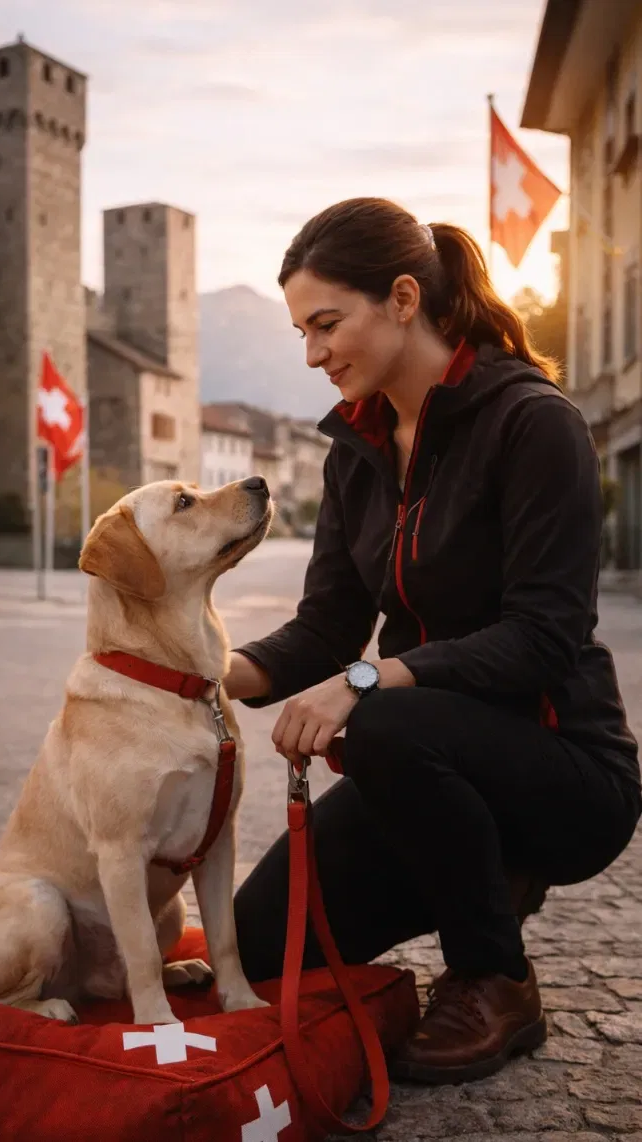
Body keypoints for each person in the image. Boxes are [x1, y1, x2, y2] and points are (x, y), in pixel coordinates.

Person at [224, 197, 641, 1085]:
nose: (312, 354)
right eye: (301, 331)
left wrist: (370, 679)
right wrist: (204, 675)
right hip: (421, 763)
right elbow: (327, 624)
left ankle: (494, 974)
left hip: (562, 766)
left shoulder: (535, 424)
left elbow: (542, 635)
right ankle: (473, 865)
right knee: (259, 944)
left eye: (326, 324)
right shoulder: (355, 452)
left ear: (404, 298)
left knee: (377, 721)